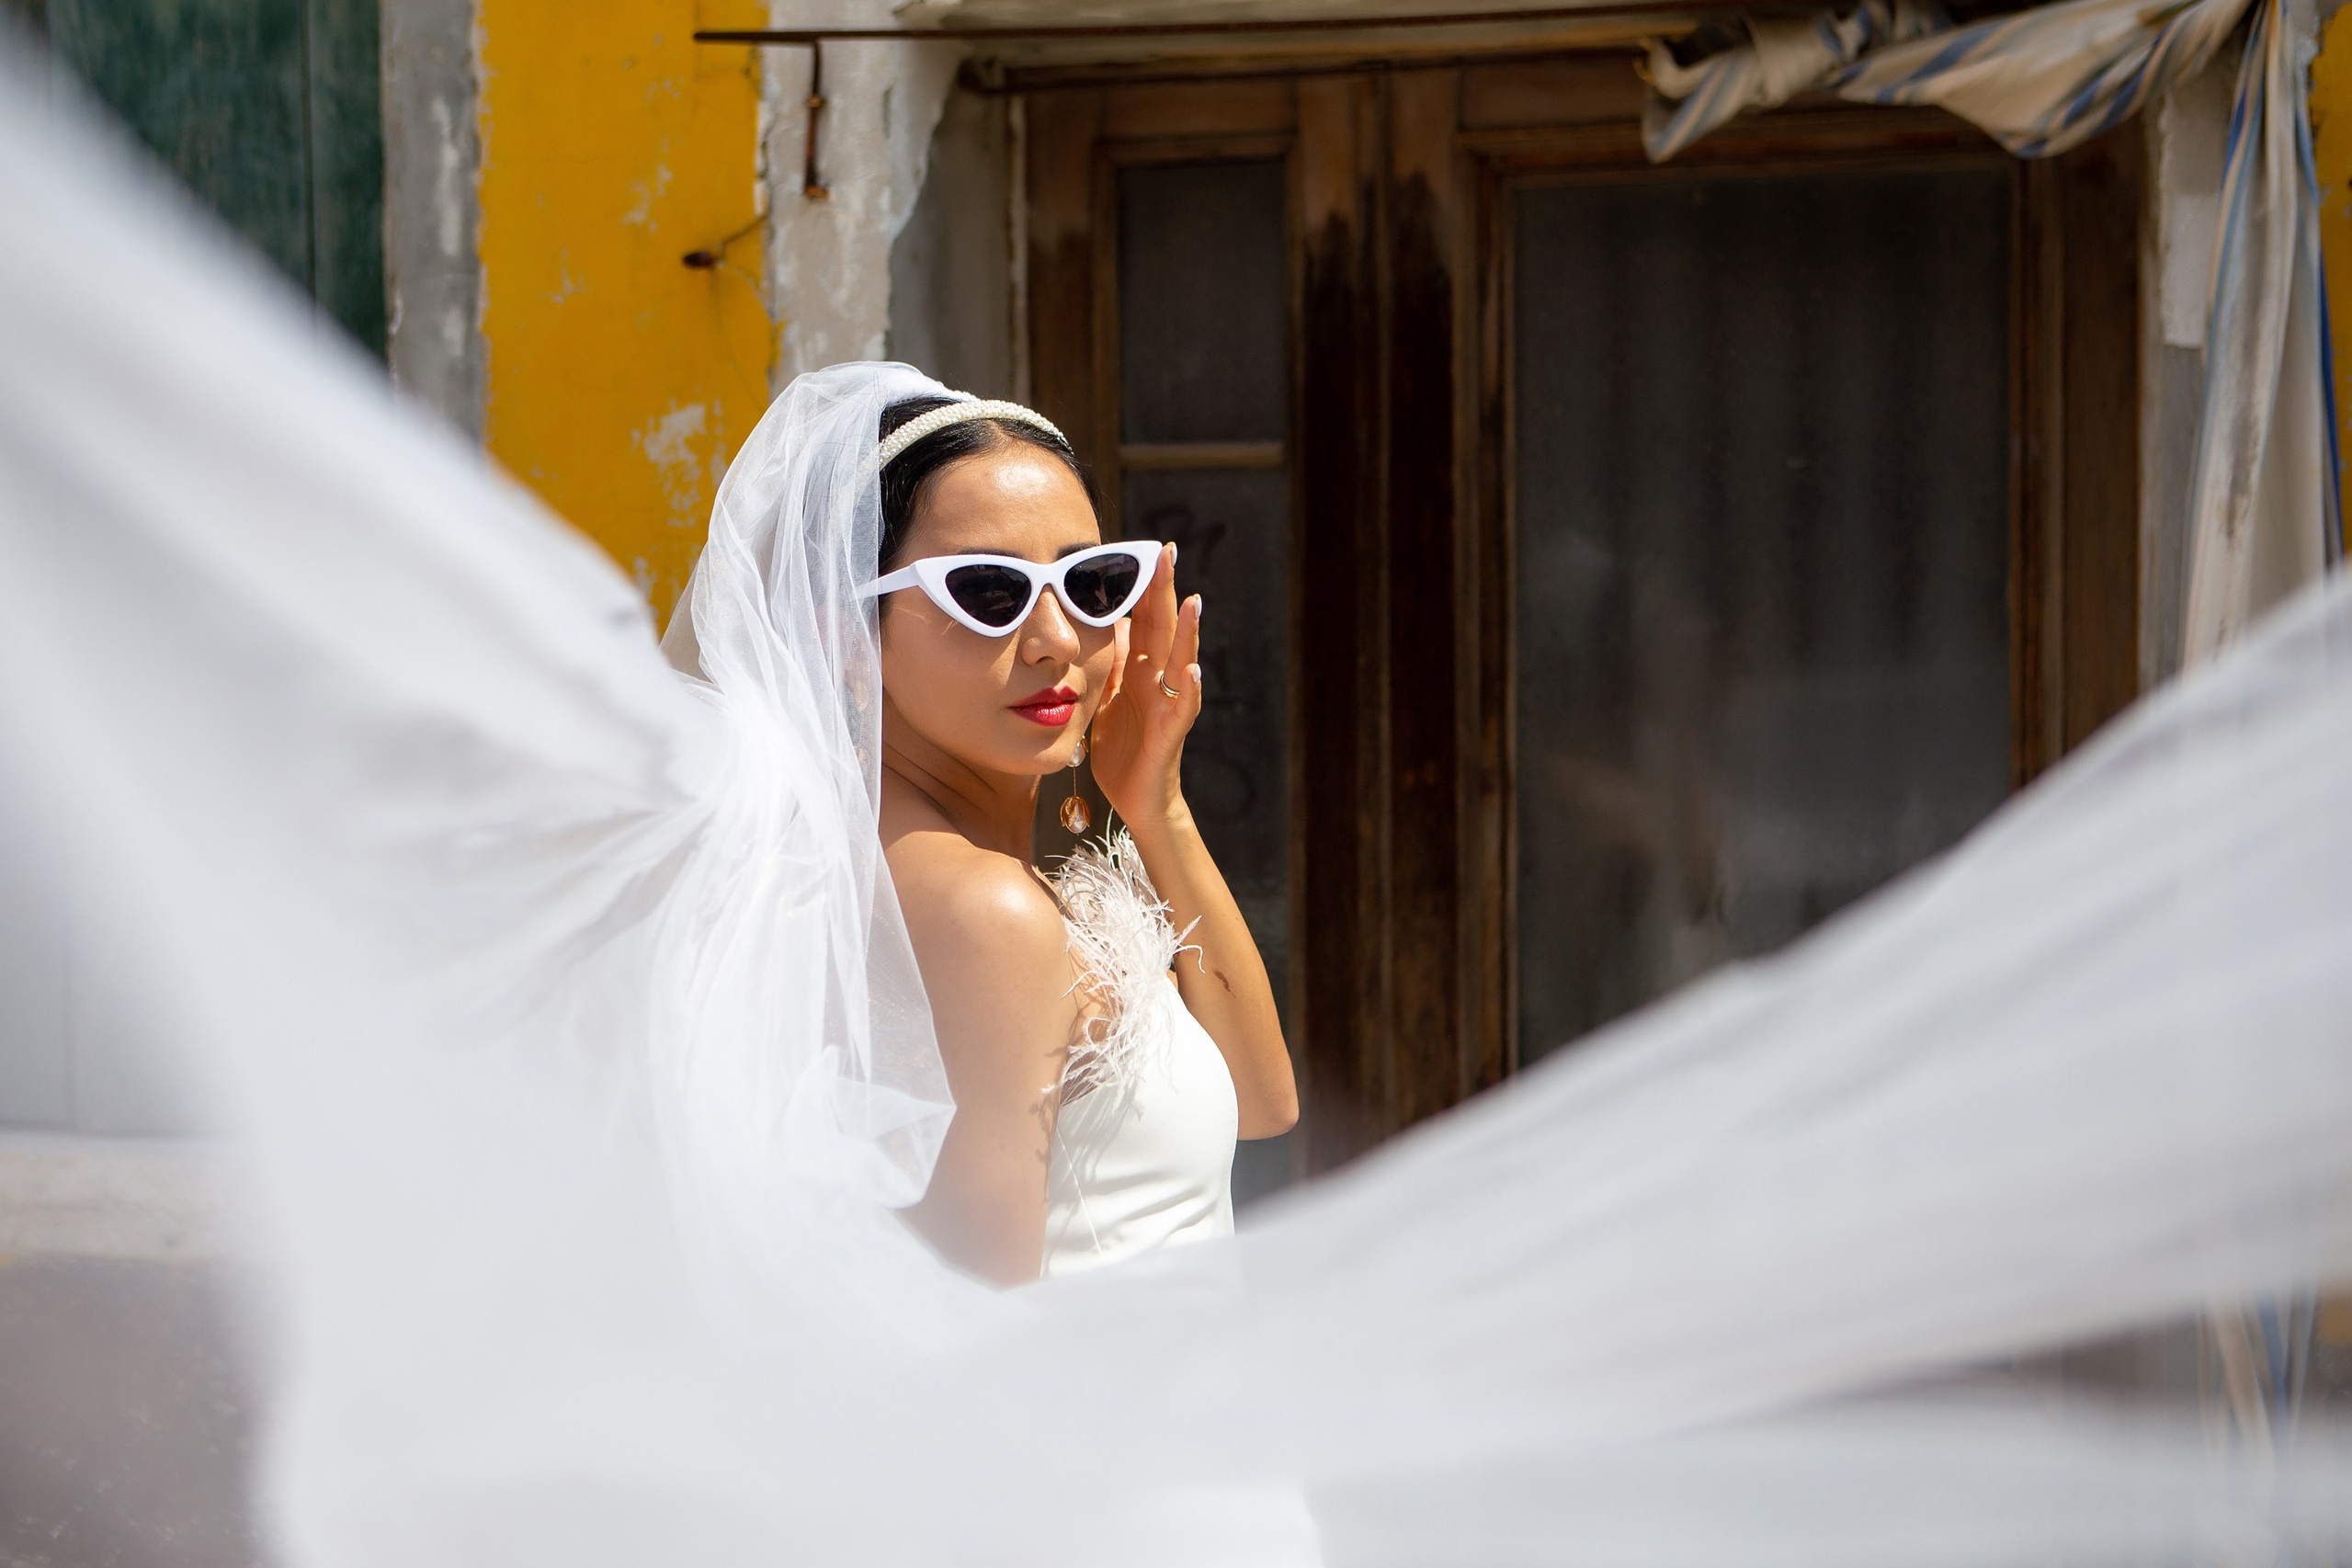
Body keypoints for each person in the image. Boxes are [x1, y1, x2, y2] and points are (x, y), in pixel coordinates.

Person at [858, 395, 1297, 1285]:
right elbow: (978, 1329)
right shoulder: (981, 909)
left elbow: (1259, 1098)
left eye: (1092, 583)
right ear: (848, 634)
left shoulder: (976, 866)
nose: (1056, 640)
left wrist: (1156, 803)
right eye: (987, 591)